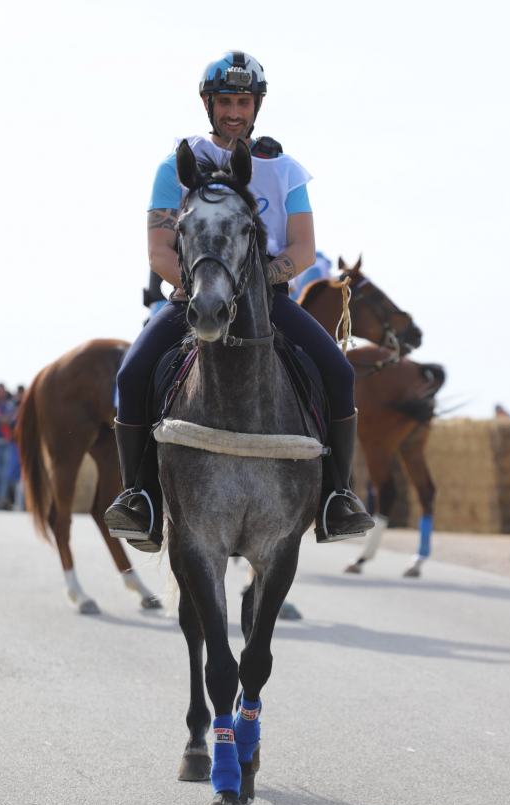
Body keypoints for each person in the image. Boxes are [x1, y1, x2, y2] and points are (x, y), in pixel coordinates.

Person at [104, 51, 374, 551]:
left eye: (243, 102)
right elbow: (160, 248)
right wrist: (199, 286)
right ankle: (140, 496)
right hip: (196, 294)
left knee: (339, 372)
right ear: (208, 104)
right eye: (225, 101)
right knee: (131, 374)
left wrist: (258, 280)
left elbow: (302, 247)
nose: (234, 111)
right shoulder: (176, 164)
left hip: (264, 299)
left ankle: (338, 495)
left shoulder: (286, 169)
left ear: (257, 106)